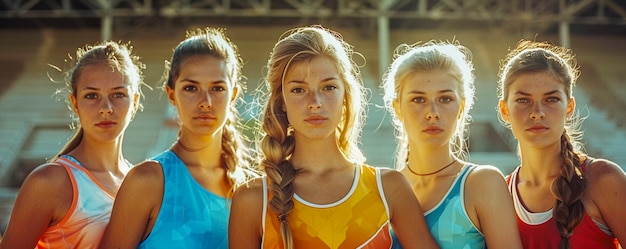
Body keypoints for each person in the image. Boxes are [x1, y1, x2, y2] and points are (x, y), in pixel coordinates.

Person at [228, 25, 439, 249]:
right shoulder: (253, 199)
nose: (315, 102)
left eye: (328, 87)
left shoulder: (388, 187)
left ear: (345, 96)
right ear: (282, 101)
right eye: (298, 90)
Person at [99, 27, 256, 249]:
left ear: (234, 95)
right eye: (191, 88)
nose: (206, 101)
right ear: (171, 95)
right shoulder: (146, 181)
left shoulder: (252, 190)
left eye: (218, 88)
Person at [0, 41, 145, 249]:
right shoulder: (49, 182)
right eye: (91, 95)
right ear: (75, 103)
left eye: (118, 94)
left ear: (135, 102)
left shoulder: (140, 182)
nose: (106, 108)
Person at [381, 41, 523, 249]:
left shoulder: (483, 183)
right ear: (397, 108)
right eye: (418, 99)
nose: (433, 112)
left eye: (445, 99)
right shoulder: (382, 191)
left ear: (462, 106)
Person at [497, 40, 626, 248]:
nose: (537, 113)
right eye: (523, 100)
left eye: (551, 99)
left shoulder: (603, 180)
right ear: (504, 110)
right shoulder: (499, 196)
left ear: (569, 107)